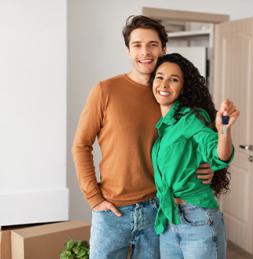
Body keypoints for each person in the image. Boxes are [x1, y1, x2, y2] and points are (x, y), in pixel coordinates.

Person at [72, 16, 214, 259]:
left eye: (152, 44)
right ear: (128, 51)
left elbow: (196, 142)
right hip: (112, 211)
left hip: (158, 210)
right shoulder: (105, 90)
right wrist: (94, 198)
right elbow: (81, 145)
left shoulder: (170, 96)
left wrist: (208, 167)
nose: (145, 52)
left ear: (163, 49)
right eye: (137, 45)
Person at [150, 53, 240, 259]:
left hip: (197, 219)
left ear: (183, 87)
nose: (164, 84)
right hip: (168, 219)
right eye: (159, 77)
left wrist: (224, 130)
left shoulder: (192, 118)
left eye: (174, 79)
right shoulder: (163, 124)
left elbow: (218, 155)